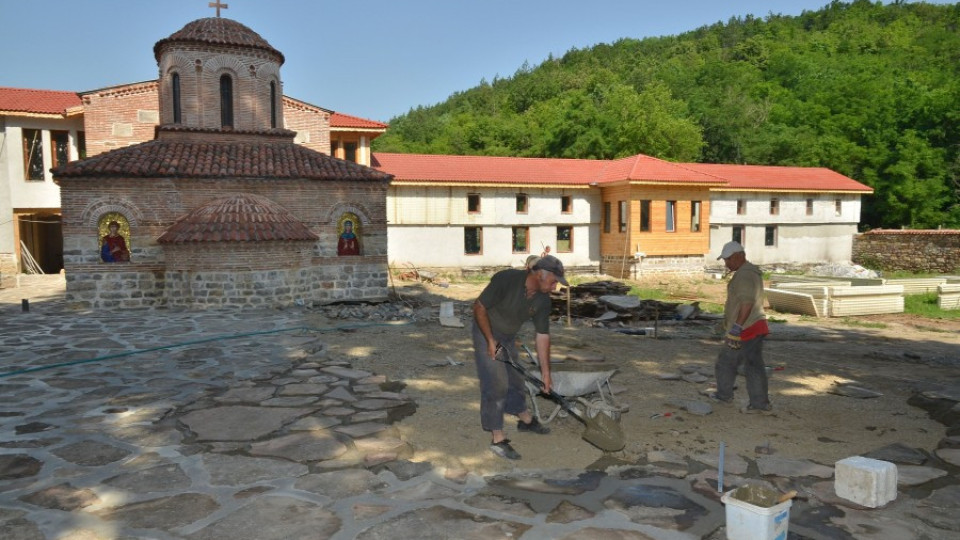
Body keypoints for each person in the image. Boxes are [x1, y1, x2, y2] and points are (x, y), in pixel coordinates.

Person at [472, 254, 567, 459]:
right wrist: (490, 341)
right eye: (553, 282)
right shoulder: (507, 279)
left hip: (507, 335)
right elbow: (478, 307)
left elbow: (542, 336)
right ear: (541, 274)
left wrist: (546, 373)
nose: (554, 288)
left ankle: (524, 419)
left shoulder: (543, 300)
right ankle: (497, 437)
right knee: (496, 381)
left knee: (516, 377)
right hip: (485, 330)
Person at [710, 241, 772, 413]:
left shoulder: (744, 275)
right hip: (755, 325)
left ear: (739, 256)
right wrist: (725, 324)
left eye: (728, 260)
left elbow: (746, 303)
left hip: (746, 328)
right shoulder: (750, 272)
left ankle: (724, 396)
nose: (726, 264)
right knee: (754, 365)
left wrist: (736, 328)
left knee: (726, 362)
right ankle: (760, 404)